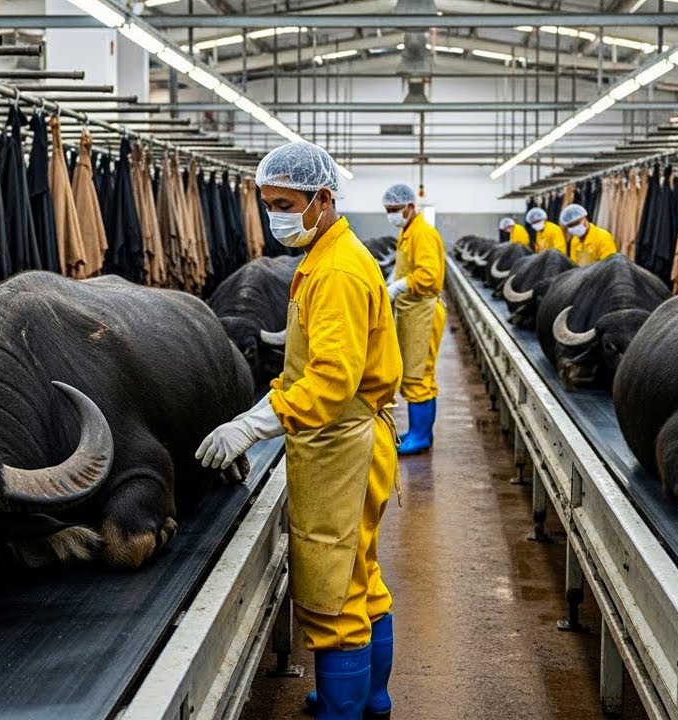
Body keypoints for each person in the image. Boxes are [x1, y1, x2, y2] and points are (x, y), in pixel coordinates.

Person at [196, 142, 403, 720]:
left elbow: (332, 381)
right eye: (268, 204)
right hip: (352, 438)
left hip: (341, 444)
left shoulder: (335, 271)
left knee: (331, 587)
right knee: (360, 573)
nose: (275, 216)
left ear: (324, 198)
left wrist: (252, 423)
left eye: (286, 203)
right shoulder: (325, 257)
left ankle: (344, 706)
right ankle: (370, 695)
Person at [382, 182, 446, 455]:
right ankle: (421, 432)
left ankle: (420, 436)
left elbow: (428, 275)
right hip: (413, 311)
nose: (391, 214)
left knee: (417, 375)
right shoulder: (408, 232)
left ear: (410, 207)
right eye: (388, 210)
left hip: (423, 311)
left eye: (395, 209)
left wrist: (398, 286)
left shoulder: (422, 233)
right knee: (419, 374)